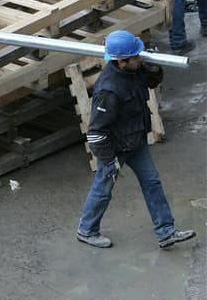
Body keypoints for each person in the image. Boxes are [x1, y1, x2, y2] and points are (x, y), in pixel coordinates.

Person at [76, 30, 196, 249]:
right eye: (136, 56)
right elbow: (95, 131)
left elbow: (151, 81)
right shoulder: (108, 90)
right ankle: (87, 230)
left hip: (136, 141)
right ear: (122, 62)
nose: (140, 58)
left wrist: (154, 67)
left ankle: (166, 232)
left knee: (152, 183)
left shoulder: (134, 69)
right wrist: (108, 160)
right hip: (114, 148)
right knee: (103, 189)